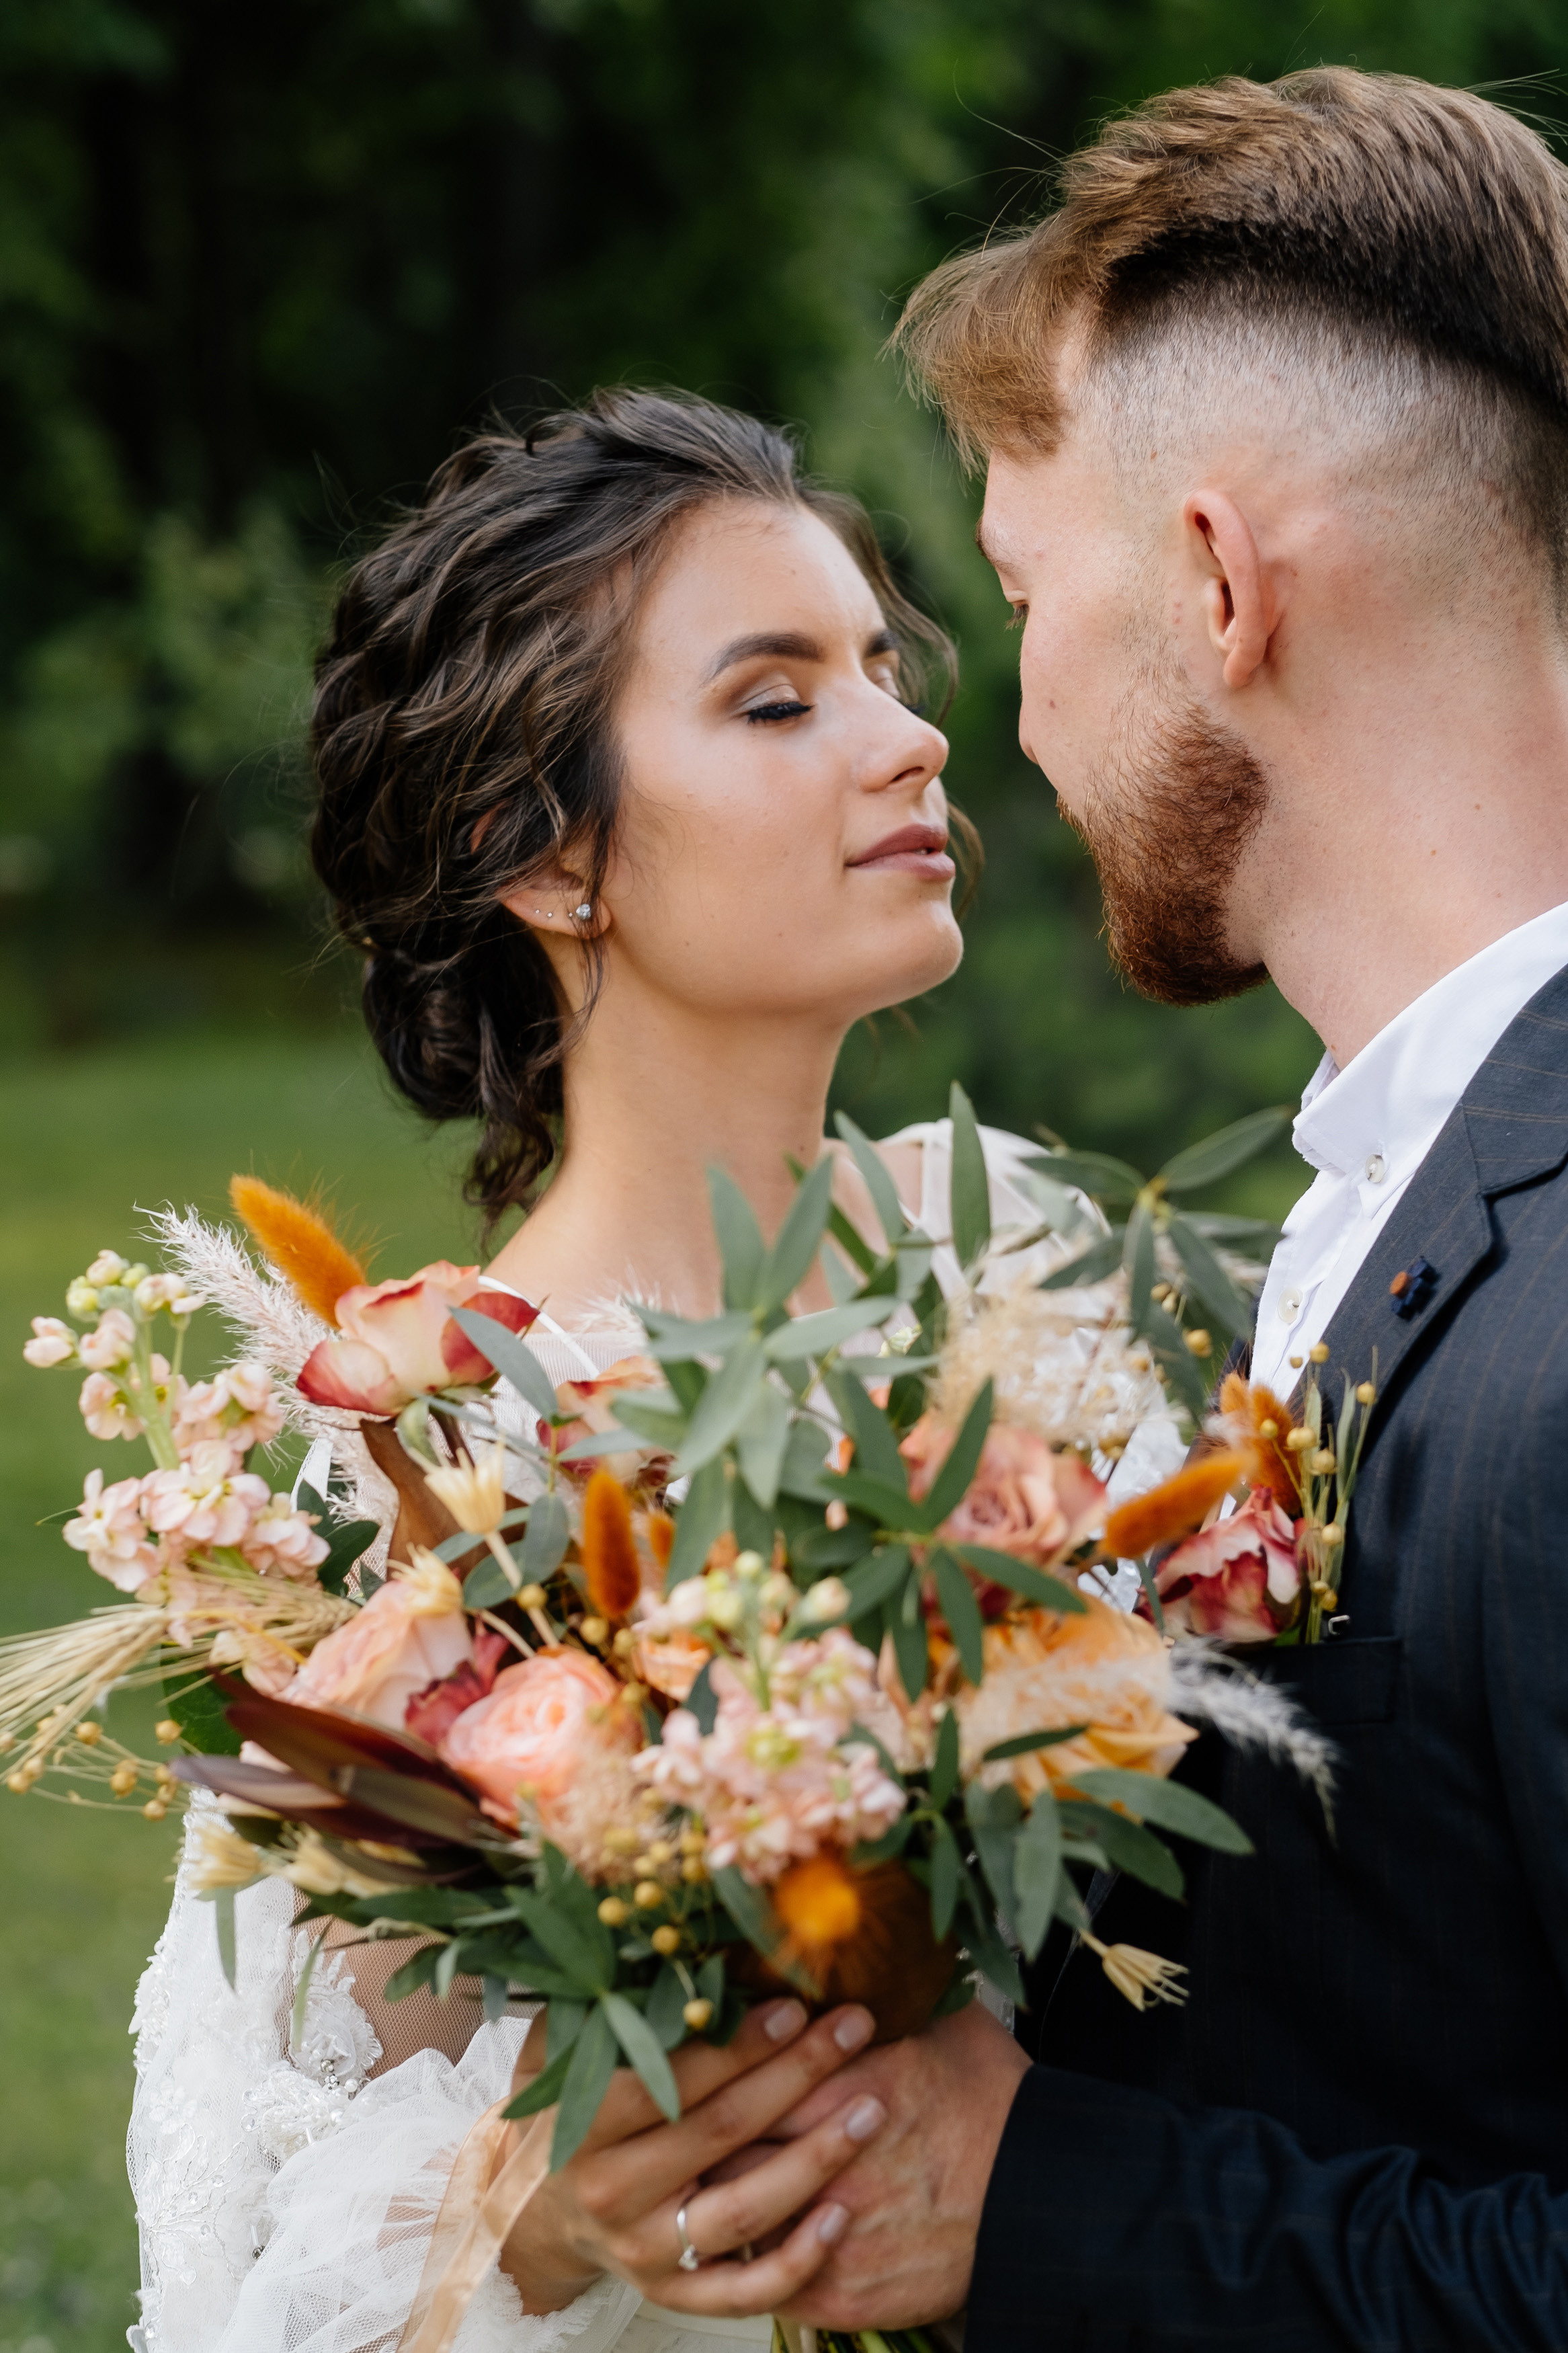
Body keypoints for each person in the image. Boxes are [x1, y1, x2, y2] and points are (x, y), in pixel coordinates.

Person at [497, 67, 1568, 2352]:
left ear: (1213, 579)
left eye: (1010, 595)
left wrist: (1046, 2197)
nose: (999, 727)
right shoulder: (1391, 1207)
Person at [127, 389, 1131, 2353]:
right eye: (778, 699)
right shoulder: (431, 1472)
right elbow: (264, 2265)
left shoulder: (1025, 1259)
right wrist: (547, 2210)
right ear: (546, 856)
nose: (912, 735)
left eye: (878, 666)